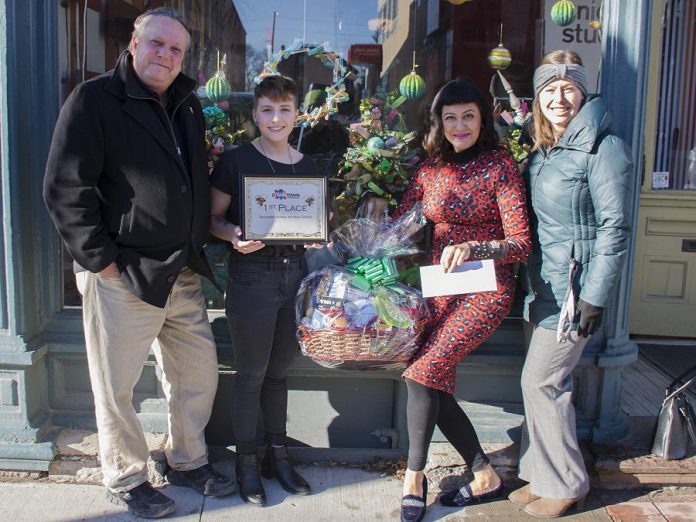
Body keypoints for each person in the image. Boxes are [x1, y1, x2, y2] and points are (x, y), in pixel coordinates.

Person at [43, 8, 234, 519]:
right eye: (157, 44)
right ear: (134, 43)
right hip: (123, 274)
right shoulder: (94, 99)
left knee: (197, 376)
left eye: (176, 50)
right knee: (115, 386)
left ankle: (186, 459)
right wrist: (101, 262)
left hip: (183, 272)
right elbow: (65, 188)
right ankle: (125, 475)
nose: (166, 56)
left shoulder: (186, 105)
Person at [393, 77, 532, 522]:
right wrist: (376, 220)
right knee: (425, 377)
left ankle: (414, 477)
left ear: (482, 118)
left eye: (468, 116)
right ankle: (483, 473)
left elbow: (521, 244)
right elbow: (404, 223)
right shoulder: (429, 169)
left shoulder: (500, 166)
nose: (459, 125)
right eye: (450, 117)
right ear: (439, 122)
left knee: (424, 370)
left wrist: (476, 247)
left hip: (486, 288)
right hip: (440, 286)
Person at [512, 50, 633, 518]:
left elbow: (615, 228)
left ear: (583, 93)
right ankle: (538, 474)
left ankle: (567, 481)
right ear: (537, 97)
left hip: (573, 292)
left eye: (568, 89)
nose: (559, 98)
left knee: (542, 382)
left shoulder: (604, 147)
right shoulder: (543, 151)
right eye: (549, 90)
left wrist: (595, 297)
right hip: (540, 287)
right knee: (537, 385)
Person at [209, 75, 319, 507]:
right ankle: (247, 464)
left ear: (297, 114)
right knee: (251, 374)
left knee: (278, 375)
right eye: (268, 109)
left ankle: (279, 454)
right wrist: (233, 234)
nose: (276, 118)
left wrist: (316, 236)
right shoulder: (235, 161)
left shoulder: (307, 165)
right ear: (255, 113)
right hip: (251, 277)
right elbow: (212, 220)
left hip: (295, 276)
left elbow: (312, 218)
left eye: (285, 109)